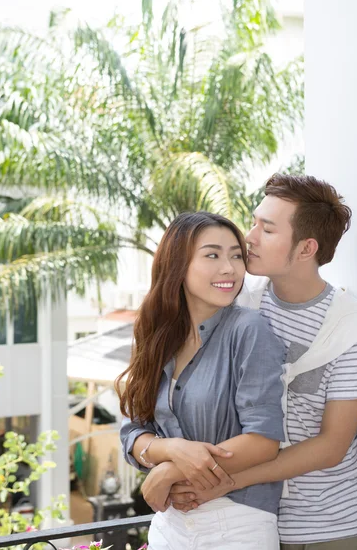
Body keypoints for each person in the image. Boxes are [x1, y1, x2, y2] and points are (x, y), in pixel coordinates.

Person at [147, 174, 357, 550]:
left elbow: (331, 446)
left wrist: (220, 480)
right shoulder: (239, 304)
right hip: (249, 523)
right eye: (253, 222)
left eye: (266, 229)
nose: (248, 237)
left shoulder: (353, 327)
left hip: (331, 527)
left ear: (306, 249)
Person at [116, 211, 287, 549]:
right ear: (178, 264)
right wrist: (171, 450)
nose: (230, 268)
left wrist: (169, 471)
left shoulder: (248, 330)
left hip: (236, 523)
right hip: (168, 526)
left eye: (236, 255)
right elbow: (131, 431)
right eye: (212, 255)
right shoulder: (154, 335)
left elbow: (263, 441)